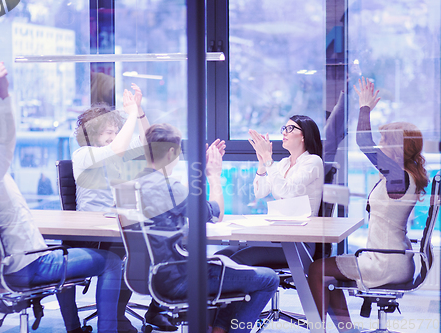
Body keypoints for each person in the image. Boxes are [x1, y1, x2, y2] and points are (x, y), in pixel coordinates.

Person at [0, 62, 122, 333]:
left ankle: (74, 328)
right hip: (27, 265)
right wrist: (3, 91)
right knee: (111, 262)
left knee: (64, 252)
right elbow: (5, 138)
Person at [308, 77, 429, 332]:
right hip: (394, 259)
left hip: (384, 263)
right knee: (326, 272)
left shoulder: (398, 177)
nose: (381, 145)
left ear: (398, 147)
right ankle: (346, 330)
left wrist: (364, 107)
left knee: (317, 269)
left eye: (385, 141)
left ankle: (319, 330)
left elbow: (364, 143)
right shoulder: (402, 177)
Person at [135, 123, 279, 333]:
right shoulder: (170, 188)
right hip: (180, 278)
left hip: (149, 276)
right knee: (268, 279)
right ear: (172, 152)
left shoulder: (132, 185)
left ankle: (218, 329)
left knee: (229, 264)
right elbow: (217, 213)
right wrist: (214, 176)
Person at [72, 85, 177, 332]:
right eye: (109, 132)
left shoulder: (120, 156)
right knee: (134, 250)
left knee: (165, 243)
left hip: (121, 225)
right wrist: (129, 114)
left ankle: (155, 309)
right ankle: (115, 319)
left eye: (117, 131)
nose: (115, 135)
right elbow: (115, 149)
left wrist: (138, 112)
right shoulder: (84, 154)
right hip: (94, 232)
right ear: (93, 134)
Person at [216, 115, 324, 266]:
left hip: (298, 242)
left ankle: (232, 288)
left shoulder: (313, 161)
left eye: (290, 128)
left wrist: (268, 157)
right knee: (222, 254)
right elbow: (260, 192)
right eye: (284, 129)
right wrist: (262, 162)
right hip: (279, 235)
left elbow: (287, 190)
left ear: (304, 136)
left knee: (238, 260)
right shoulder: (284, 164)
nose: (284, 133)